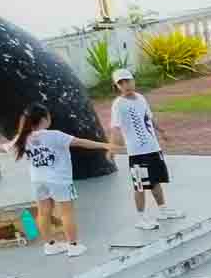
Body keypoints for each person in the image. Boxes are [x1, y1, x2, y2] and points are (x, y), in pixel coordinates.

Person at [15, 103, 114, 257]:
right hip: (59, 180)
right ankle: (73, 246)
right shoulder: (54, 135)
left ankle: (50, 245)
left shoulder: (23, 137)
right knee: (66, 213)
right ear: (44, 119)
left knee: (43, 213)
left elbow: (4, 147)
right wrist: (105, 145)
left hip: (38, 181)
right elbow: (81, 142)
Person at [108, 71, 179, 229]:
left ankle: (163, 210)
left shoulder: (141, 98)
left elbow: (149, 118)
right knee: (140, 185)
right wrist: (111, 148)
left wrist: (162, 132)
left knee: (156, 180)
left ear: (133, 81)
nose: (126, 85)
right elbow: (115, 127)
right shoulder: (118, 104)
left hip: (153, 148)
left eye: (128, 81)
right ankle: (141, 218)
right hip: (137, 153)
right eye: (121, 83)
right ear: (117, 86)